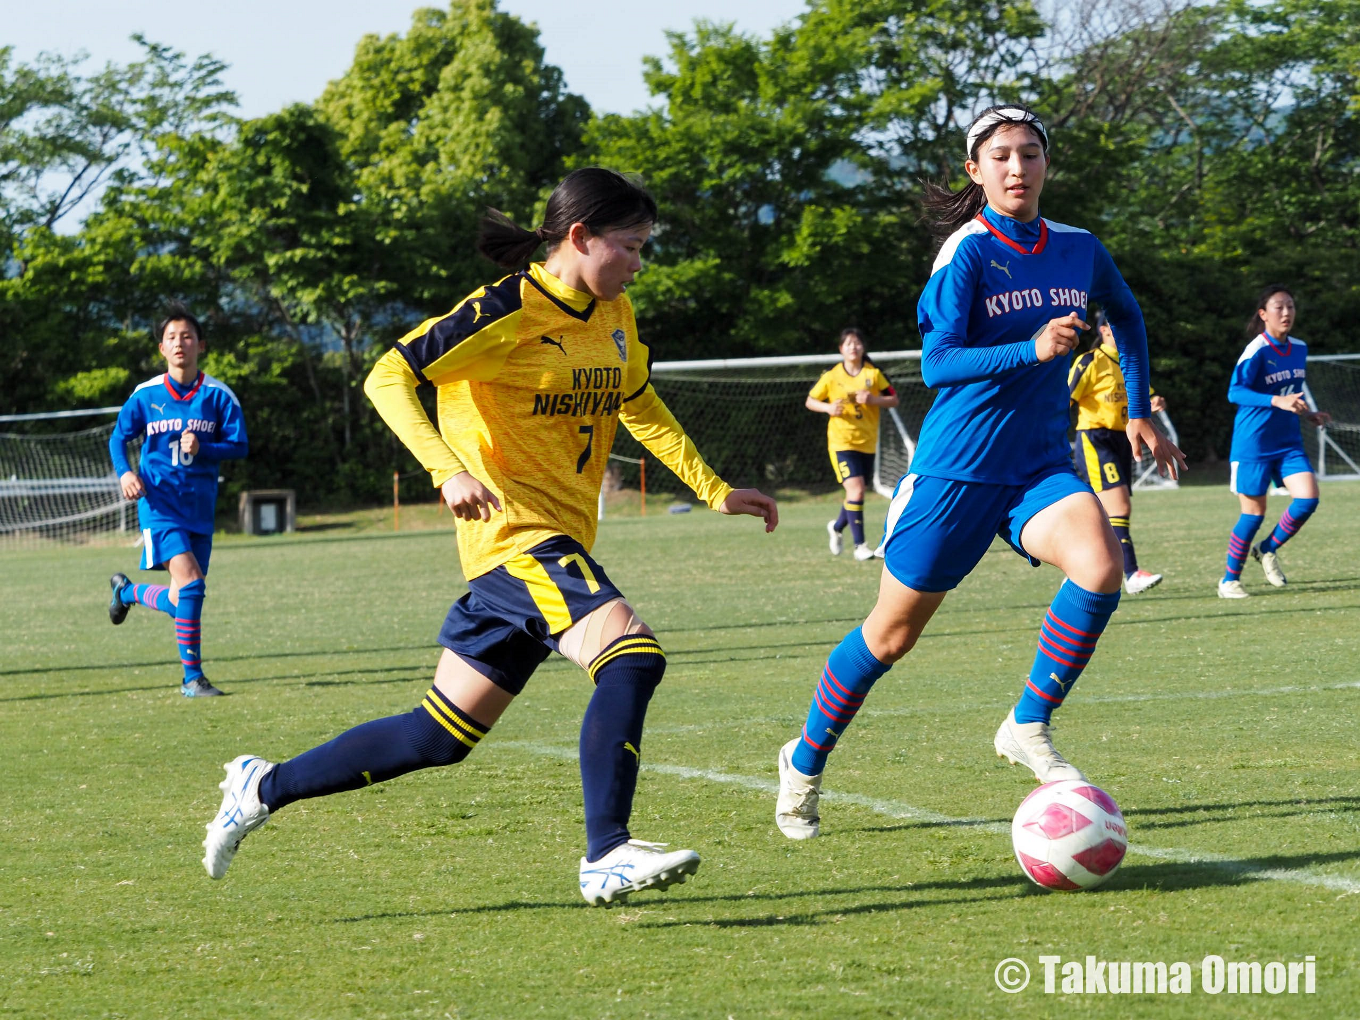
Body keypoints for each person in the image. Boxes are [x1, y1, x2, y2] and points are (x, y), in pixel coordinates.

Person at [201, 168, 779, 905]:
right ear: (580, 237)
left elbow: (639, 402)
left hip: (550, 546)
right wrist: (445, 470)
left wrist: (714, 489)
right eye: (630, 246)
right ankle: (606, 851)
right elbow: (387, 375)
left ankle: (263, 785)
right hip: (515, 538)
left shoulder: (617, 313)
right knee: (631, 657)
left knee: (436, 736)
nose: (639, 262)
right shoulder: (508, 307)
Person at [773, 105, 1184, 840]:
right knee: (891, 637)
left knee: (1100, 567)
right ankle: (803, 761)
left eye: (1030, 154)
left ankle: (1027, 723)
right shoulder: (964, 253)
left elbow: (1127, 312)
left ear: (1047, 165)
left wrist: (1136, 406)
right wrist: (1031, 350)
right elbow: (938, 364)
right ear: (976, 171)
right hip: (956, 470)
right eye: (1000, 156)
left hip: (1037, 465)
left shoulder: (1080, 248)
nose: (1017, 168)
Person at [105, 306, 248, 697]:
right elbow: (118, 438)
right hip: (159, 504)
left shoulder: (218, 395)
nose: (179, 343)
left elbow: (239, 446)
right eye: (172, 338)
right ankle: (192, 680)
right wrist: (125, 473)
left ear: (201, 345)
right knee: (192, 586)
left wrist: (205, 448)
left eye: (187, 337)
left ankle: (126, 592)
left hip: (199, 508)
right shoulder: (146, 395)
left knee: (180, 595)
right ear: (161, 349)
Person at [1217, 285, 1330, 598]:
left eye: (1290, 306)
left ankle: (1267, 548)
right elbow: (1234, 392)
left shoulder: (1299, 348)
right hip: (1253, 443)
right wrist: (1276, 402)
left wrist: (1309, 414)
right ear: (1263, 314)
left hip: (1288, 442)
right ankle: (1229, 581)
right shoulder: (1256, 350)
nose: (1286, 313)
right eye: (1279, 307)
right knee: (1253, 514)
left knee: (1308, 499)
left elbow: (1291, 392)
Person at [1068, 309, 1168, 595]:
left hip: (1124, 438)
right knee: (1119, 506)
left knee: (1099, 513)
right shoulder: (1090, 362)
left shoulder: (1130, 362)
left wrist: (1153, 401)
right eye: (1113, 325)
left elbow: (1142, 397)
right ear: (1103, 331)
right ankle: (1132, 573)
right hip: (1096, 439)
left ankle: (1079, 571)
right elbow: (1065, 399)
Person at [806, 328, 899, 560]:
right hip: (841, 442)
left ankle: (837, 527)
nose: (853, 347)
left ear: (863, 347)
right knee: (856, 489)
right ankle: (860, 546)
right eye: (848, 344)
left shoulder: (874, 374)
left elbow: (894, 399)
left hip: (867, 443)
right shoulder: (831, 376)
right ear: (841, 349)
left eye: (857, 343)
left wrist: (874, 399)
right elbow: (810, 400)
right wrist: (828, 407)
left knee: (855, 493)